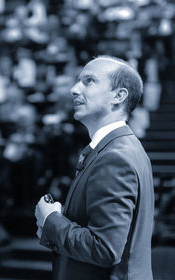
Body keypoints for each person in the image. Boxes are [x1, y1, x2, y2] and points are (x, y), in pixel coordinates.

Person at [34, 55, 154, 279]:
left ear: (118, 96)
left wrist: (51, 220)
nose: (74, 89)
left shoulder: (115, 156)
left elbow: (105, 249)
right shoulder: (123, 146)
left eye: (89, 81)